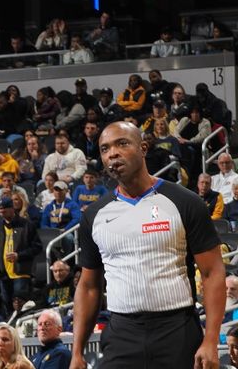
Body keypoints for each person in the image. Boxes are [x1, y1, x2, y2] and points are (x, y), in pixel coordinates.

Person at [71, 122, 225, 369]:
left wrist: (211, 340)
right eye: (105, 149)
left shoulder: (185, 202)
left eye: (122, 143)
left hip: (177, 331)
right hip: (121, 334)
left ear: (143, 148)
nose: (112, 153)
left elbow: (212, 272)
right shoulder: (94, 215)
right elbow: (89, 286)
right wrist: (77, 351)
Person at [0, 196, 40, 316]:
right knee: (6, 304)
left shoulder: (27, 225)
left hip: (21, 272)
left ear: (12, 209)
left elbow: (37, 247)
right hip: (3, 273)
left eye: (4, 210)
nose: (2, 213)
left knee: (19, 302)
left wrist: (19, 255)